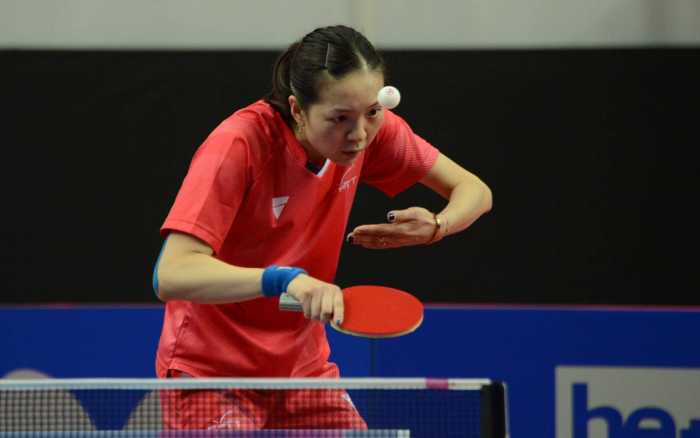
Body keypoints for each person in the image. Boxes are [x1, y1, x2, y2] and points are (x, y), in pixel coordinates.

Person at [152, 24, 492, 430]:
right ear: (297, 110)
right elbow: (171, 273)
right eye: (339, 119)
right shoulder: (239, 145)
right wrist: (283, 280)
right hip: (211, 371)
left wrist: (438, 225)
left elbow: (475, 191)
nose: (359, 134)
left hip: (301, 369)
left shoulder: (371, 135)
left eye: (372, 112)